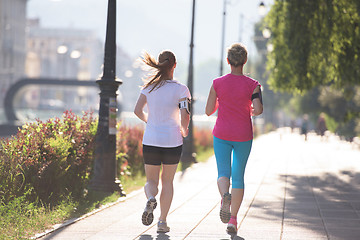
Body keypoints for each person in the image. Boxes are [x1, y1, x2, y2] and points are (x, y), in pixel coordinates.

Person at [205, 43, 263, 234]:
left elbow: (208, 111)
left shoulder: (217, 83)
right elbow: (259, 109)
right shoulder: (253, 84)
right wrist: (251, 109)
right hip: (243, 135)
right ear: (244, 61)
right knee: (238, 177)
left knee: (223, 172)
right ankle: (233, 220)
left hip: (221, 134)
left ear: (228, 61)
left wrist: (220, 103)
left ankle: (224, 197)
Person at [134, 50, 191, 233]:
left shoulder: (149, 87)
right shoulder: (181, 89)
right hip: (172, 141)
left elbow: (137, 110)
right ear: (174, 66)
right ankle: (162, 222)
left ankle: (151, 197)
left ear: (159, 65)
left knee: (151, 181)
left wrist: (149, 121)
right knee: (167, 182)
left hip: (151, 139)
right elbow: (185, 114)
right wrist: (184, 129)